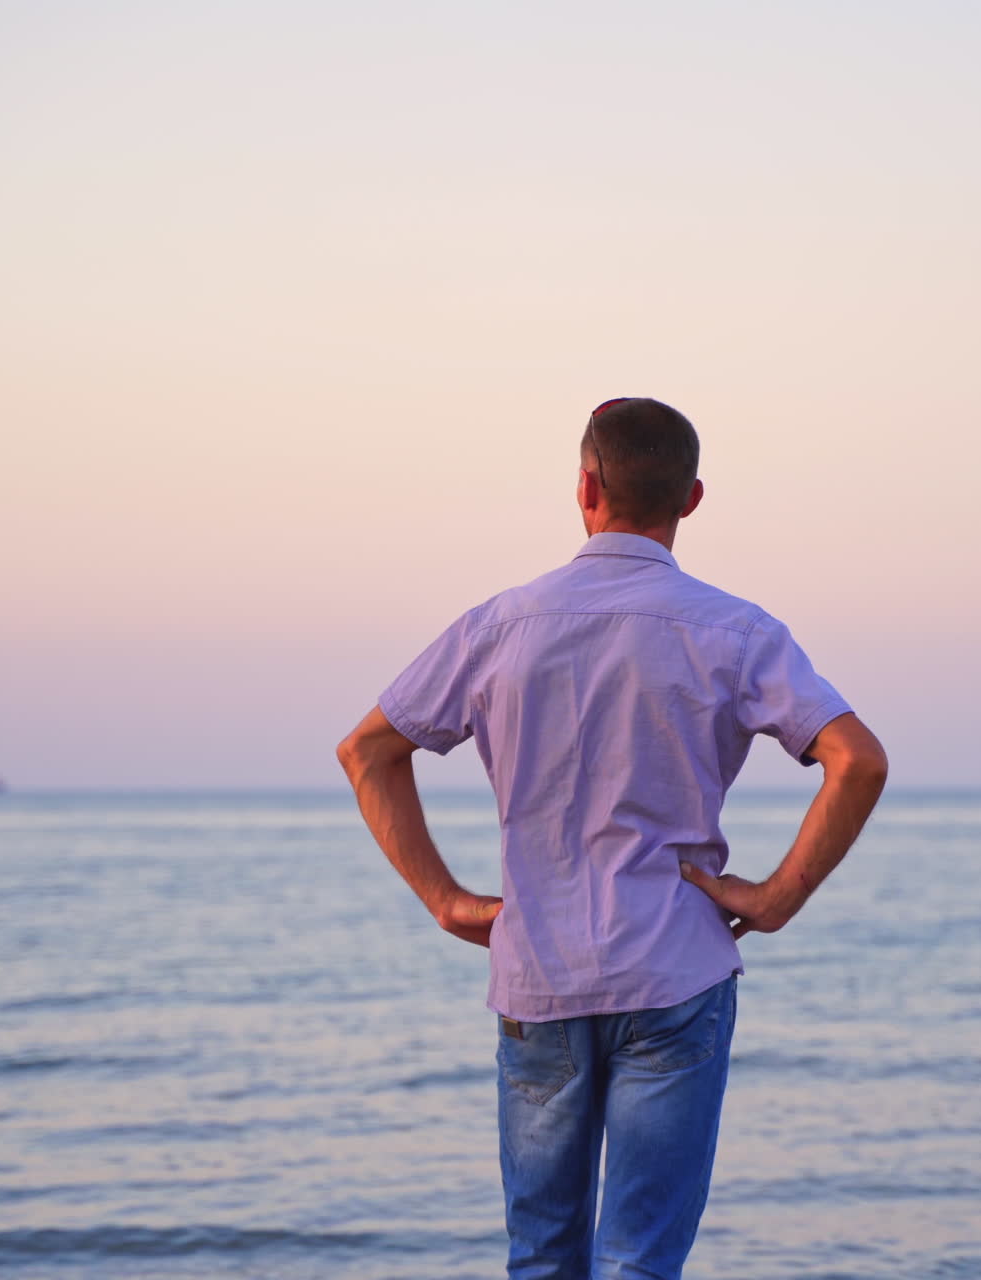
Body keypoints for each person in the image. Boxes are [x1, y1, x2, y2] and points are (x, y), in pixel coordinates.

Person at [337, 397, 888, 1280]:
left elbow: (368, 750)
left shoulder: (499, 625)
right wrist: (775, 899)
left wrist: (443, 899)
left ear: (585, 488)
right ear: (693, 498)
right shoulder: (737, 632)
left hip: (539, 973)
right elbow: (855, 760)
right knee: (639, 1262)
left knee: (543, 1258)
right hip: (676, 969)